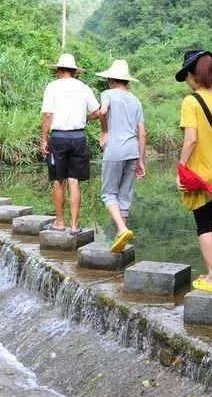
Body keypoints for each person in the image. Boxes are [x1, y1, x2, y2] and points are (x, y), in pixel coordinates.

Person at [176, 49, 212, 293]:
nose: (187, 81)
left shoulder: (191, 101)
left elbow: (190, 140)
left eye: (187, 76)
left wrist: (181, 169)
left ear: (193, 74)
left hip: (202, 174)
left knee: (202, 223)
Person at [40, 53, 100, 232]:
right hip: (78, 138)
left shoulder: (52, 87)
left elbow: (48, 115)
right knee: (74, 181)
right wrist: (85, 118)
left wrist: (44, 139)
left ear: (59, 70)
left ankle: (59, 222)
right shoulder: (83, 87)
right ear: (74, 71)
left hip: (58, 137)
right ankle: (74, 225)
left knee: (58, 181)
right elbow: (97, 112)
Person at [95, 59, 146, 252]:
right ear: (126, 81)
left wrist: (104, 130)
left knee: (108, 194)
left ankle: (123, 228)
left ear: (110, 79)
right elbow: (142, 132)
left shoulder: (107, 94)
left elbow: (102, 111)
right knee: (124, 197)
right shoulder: (136, 100)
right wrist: (141, 159)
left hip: (114, 150)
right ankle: (121, 238)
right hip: (132, 151)